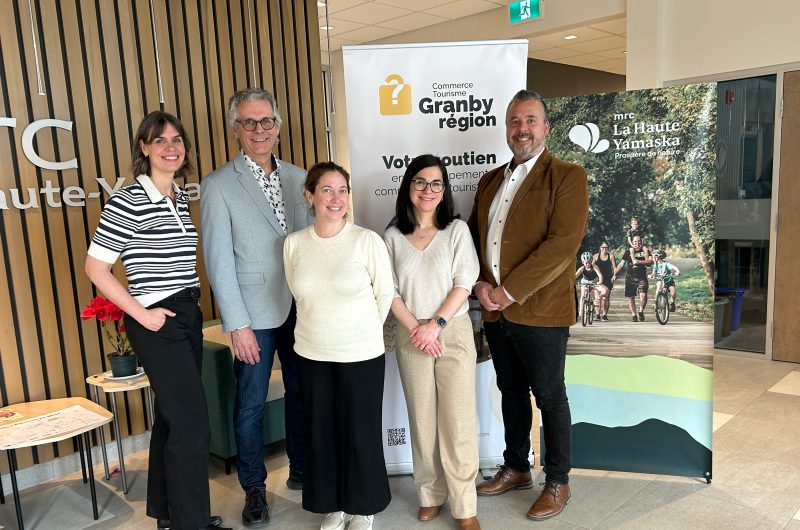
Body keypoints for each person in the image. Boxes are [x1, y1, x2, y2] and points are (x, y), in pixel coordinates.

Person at [85, 111, 227, 530]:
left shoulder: (178, 196)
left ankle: (169, 514)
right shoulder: (128, 200)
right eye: (160, 140)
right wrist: (141, 314)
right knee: (192, 425)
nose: (171, 147)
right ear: (143, 147)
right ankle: (190, 523)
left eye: (177, 139)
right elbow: (95, 268)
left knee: (171, 417)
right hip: (157, 320)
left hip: (187, 314)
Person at [467, 89, 588, 521]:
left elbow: (562, 244)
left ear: (546, 127)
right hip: (495, 309)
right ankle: (517, 466)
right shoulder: (489, 180)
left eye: (530, 120)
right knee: (510, 390)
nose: (522, 129)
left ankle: (557, 480)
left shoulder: (567, 176)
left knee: (550, 396)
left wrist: (509, 290)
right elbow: (473, 238)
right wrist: (480, 283)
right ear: (506, 128)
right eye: (515, 121)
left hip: (541, 311)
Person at [200, 87, 308, 527]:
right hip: (254, 315)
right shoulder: (218, 185)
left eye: (266, 121)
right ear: (236, 129)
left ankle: (302, 470)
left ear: (277, 127)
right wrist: (237, 324)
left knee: (303, 394)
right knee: (250, 405)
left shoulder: (300, 178)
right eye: (249, 121)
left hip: (302, 308)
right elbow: (218, 261)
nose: (259, 129)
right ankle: (254, 490)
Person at [283, 162, 393, 530]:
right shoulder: (294, 244)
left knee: (360, 432)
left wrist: (360, 332)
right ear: (309, 195)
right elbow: (300, 296)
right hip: (311, 354)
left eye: (342, 190)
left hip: (360, 354)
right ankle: (335, 505)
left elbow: (384, 294)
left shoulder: (366, 241)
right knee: (322, 433)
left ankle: (362, 508)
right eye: (327, 190)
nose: (336, 198)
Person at [384, 155, 481, 530]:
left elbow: (464, 282)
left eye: (436, 183)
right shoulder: (392, 237)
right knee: (422, 420)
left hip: (451, 331)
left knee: (458, 421)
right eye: (420, 182)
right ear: (409, 186)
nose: (428, 189)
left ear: (444, 190)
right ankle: (430, 495)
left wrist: (435, 325)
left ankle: (464, 504)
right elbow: (388, 290)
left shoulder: (456, 230)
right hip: (411, 334)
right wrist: (417, 328)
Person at [614, 234, 653, 322]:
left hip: (642, 277)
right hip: (630, 277)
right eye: (635, 242)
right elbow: (621, 264)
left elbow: (650, 261)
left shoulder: (645, 250)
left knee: (643, 295)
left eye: (639, 241)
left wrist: (638, 261)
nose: (637, 243)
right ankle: (634, 315)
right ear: (632, 242)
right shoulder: (628, 251)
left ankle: (641, 311)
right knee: (630, 297)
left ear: (641, 242)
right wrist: (615, 274)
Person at [575, 251, 609, 320]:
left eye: (589, 262)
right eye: (586, 263)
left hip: (594, 282)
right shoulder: (582, 268)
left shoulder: (594, 267)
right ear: (582, 262)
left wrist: (600, 281)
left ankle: (597, 299)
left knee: (605, 290)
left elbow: (600, 275)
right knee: (583, 295)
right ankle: (581, 311)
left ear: (591, 262)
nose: (587, 264)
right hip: (585, 283)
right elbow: (575, 276)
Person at [593, 241, 617, 321]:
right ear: (600, 248)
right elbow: (591, 266)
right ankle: (597, 315)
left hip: (608, 279)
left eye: (606, 247)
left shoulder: (611, 256)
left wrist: (614, 275)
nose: (604, 249)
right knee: (597, 297)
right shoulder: (595, 256)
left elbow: (615, 268)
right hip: (598, 279)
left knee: (606, 298)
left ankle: (604, 315)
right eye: (603, 247)